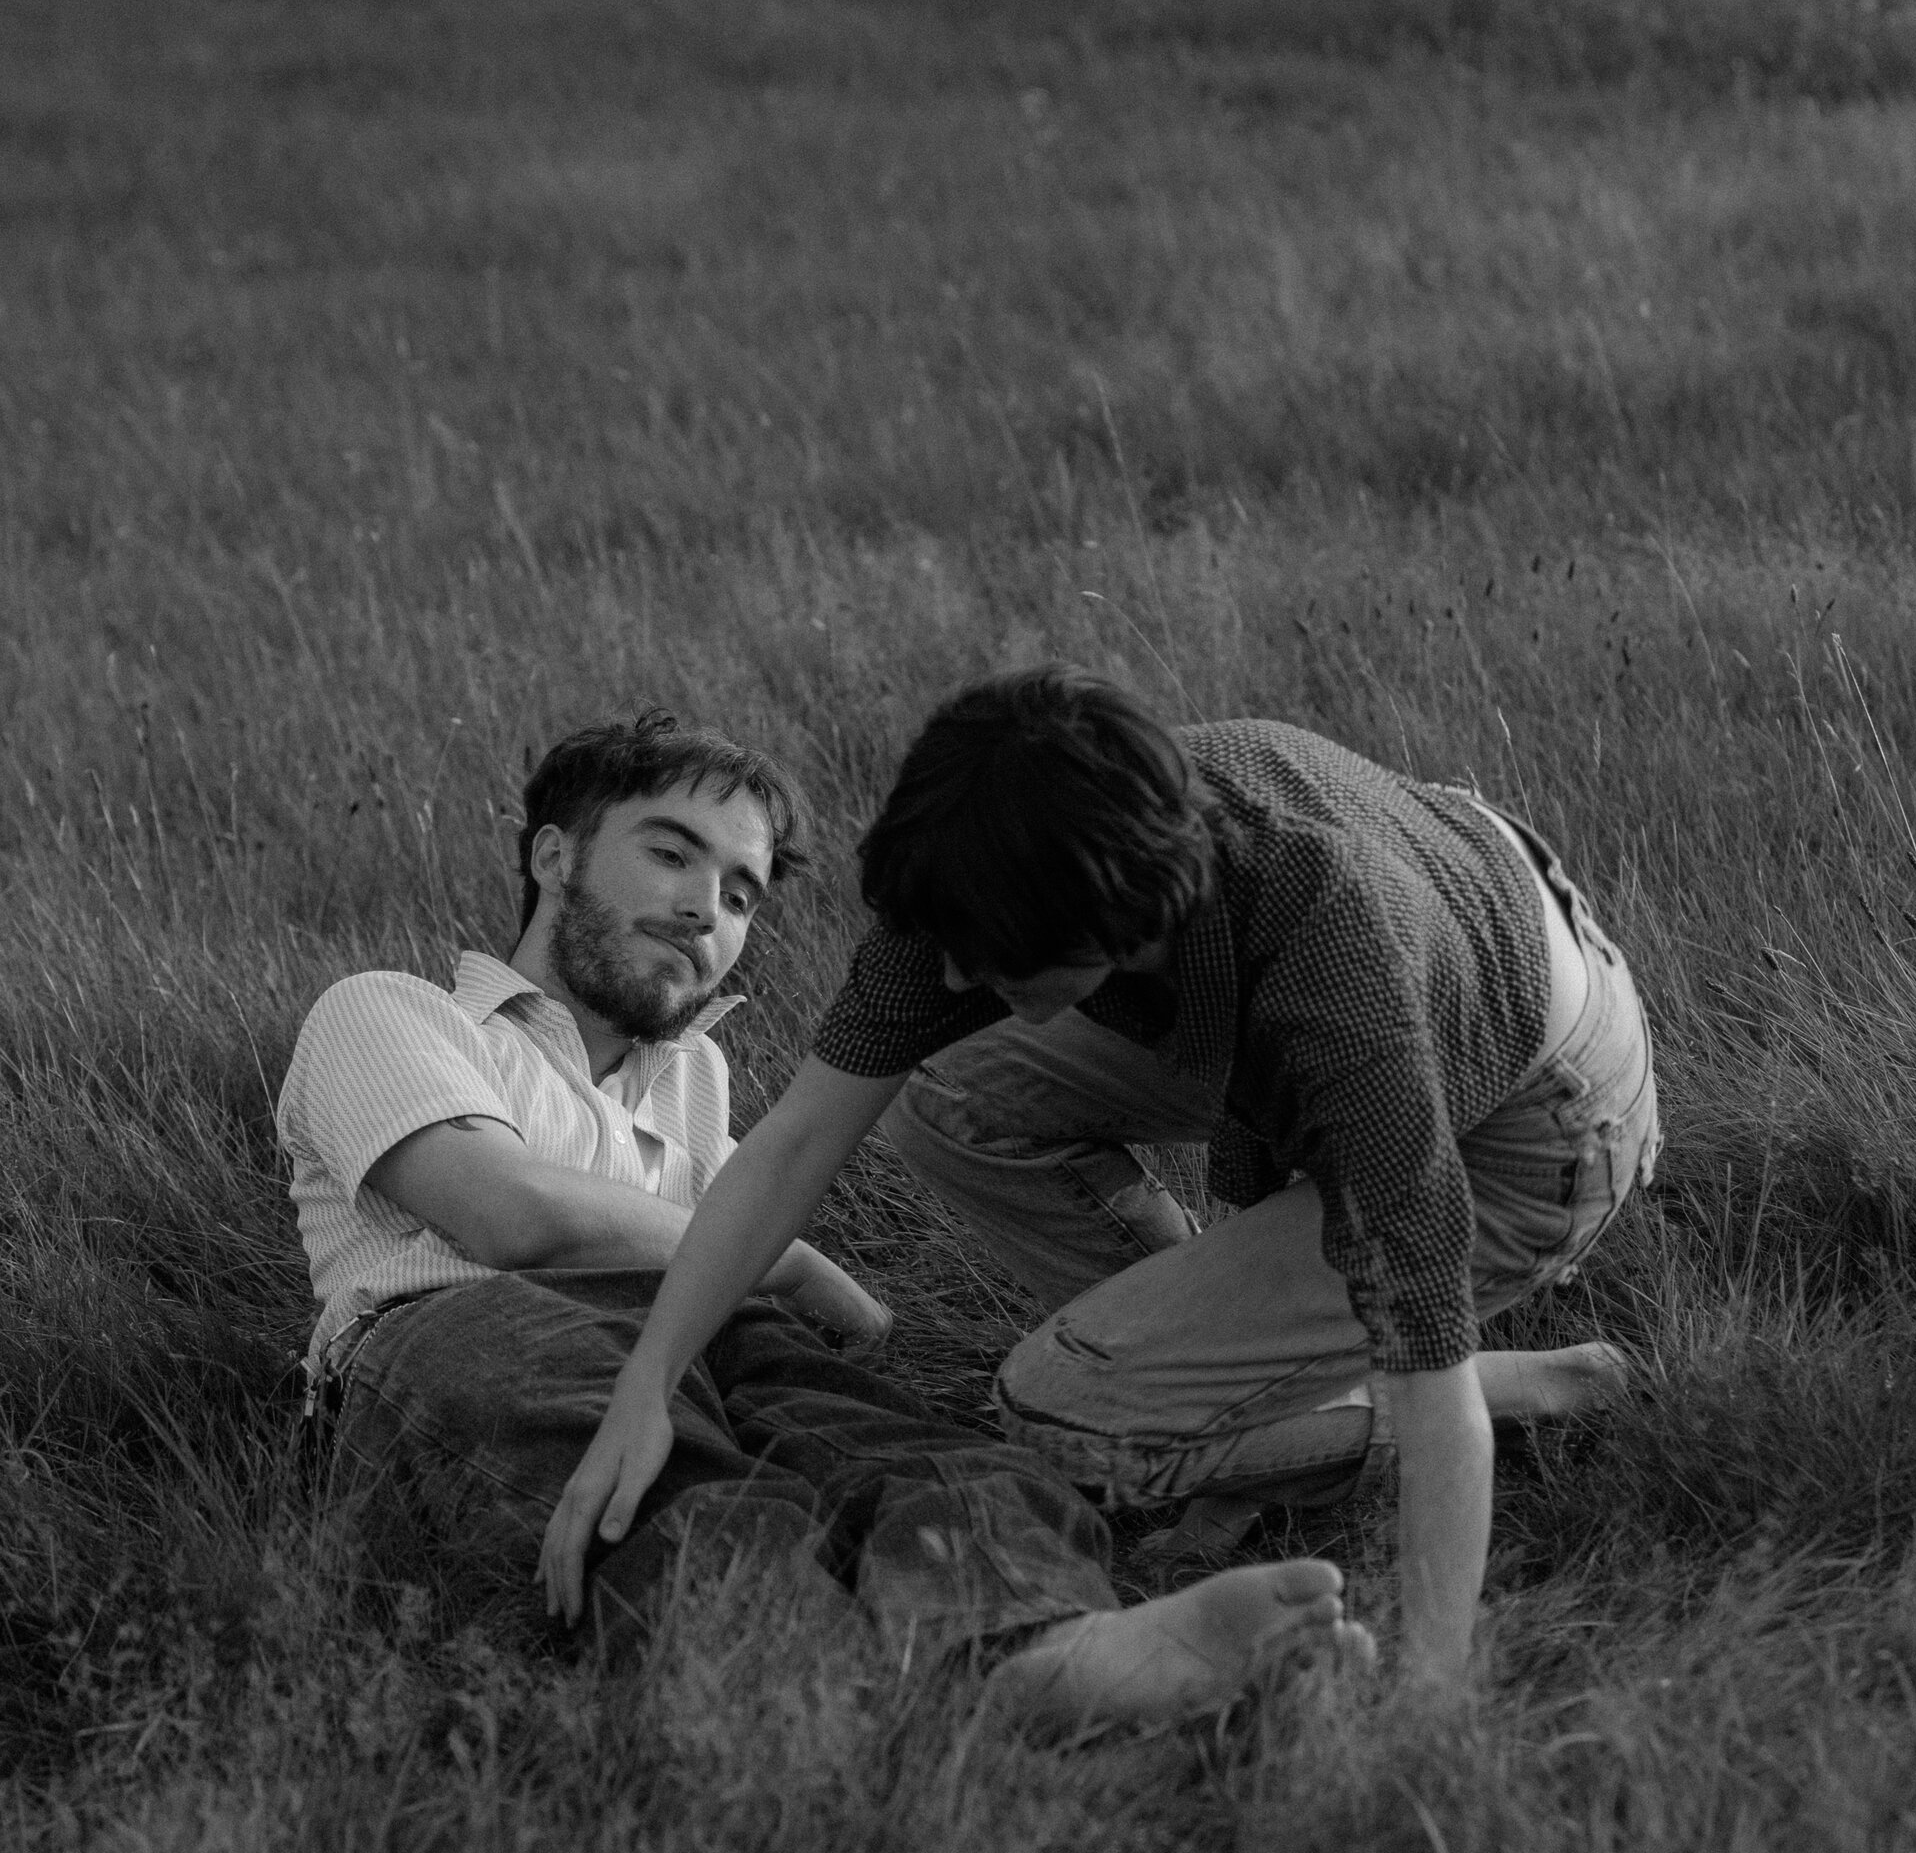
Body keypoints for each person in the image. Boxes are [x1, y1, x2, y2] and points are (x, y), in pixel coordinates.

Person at [545, 674, 1661, 1687]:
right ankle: (1216, 1378)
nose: (947, 978)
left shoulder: (1337, 970)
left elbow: (1422, 1346)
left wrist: (1426, 1703)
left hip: (1533, 1115)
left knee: (1058, 1417)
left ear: (1122, 931)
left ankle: (1488, 1390)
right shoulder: (991, 858)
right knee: (943, 1092)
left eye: (989, 963)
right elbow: (794, 1143)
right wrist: (647, 1385)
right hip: (1455, 905)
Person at [275, 709, 1368, 1734]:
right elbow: (509, 1215)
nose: (708, 910)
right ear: (553, 857)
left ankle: (1044, 1658)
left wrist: (762, 1300)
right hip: (461, 1325)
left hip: (703, 1340)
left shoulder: (694, 1077)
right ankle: (834, 1726)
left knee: (937, 1462)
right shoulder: (390, 1009)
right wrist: (788, 1265)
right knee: (692, 1499)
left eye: (742, 894)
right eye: (670, 853)